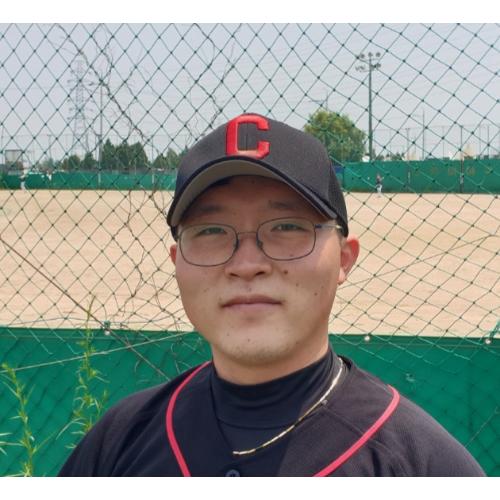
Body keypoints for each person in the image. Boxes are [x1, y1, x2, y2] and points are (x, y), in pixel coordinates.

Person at [59, 113, 484, 477]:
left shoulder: (421, 466)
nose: (247, 264)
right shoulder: (117, 443)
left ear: (344, 259)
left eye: (286, 227)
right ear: (177, 261)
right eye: (211, 231)